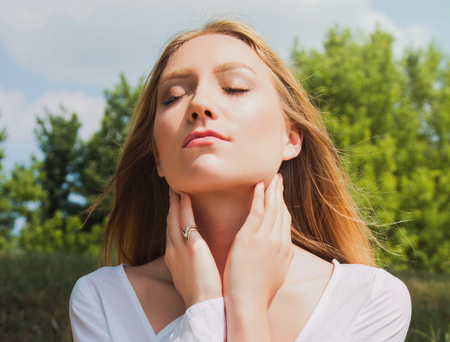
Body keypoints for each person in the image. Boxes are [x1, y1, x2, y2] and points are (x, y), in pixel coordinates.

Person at [69, 19, 412, 341]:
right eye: (173, 96)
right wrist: (203, 303)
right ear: (157, 157)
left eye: (234, 87)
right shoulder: (102, 300)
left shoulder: (370, 299)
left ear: (290, 138)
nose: (199, 103)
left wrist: (246, 301)